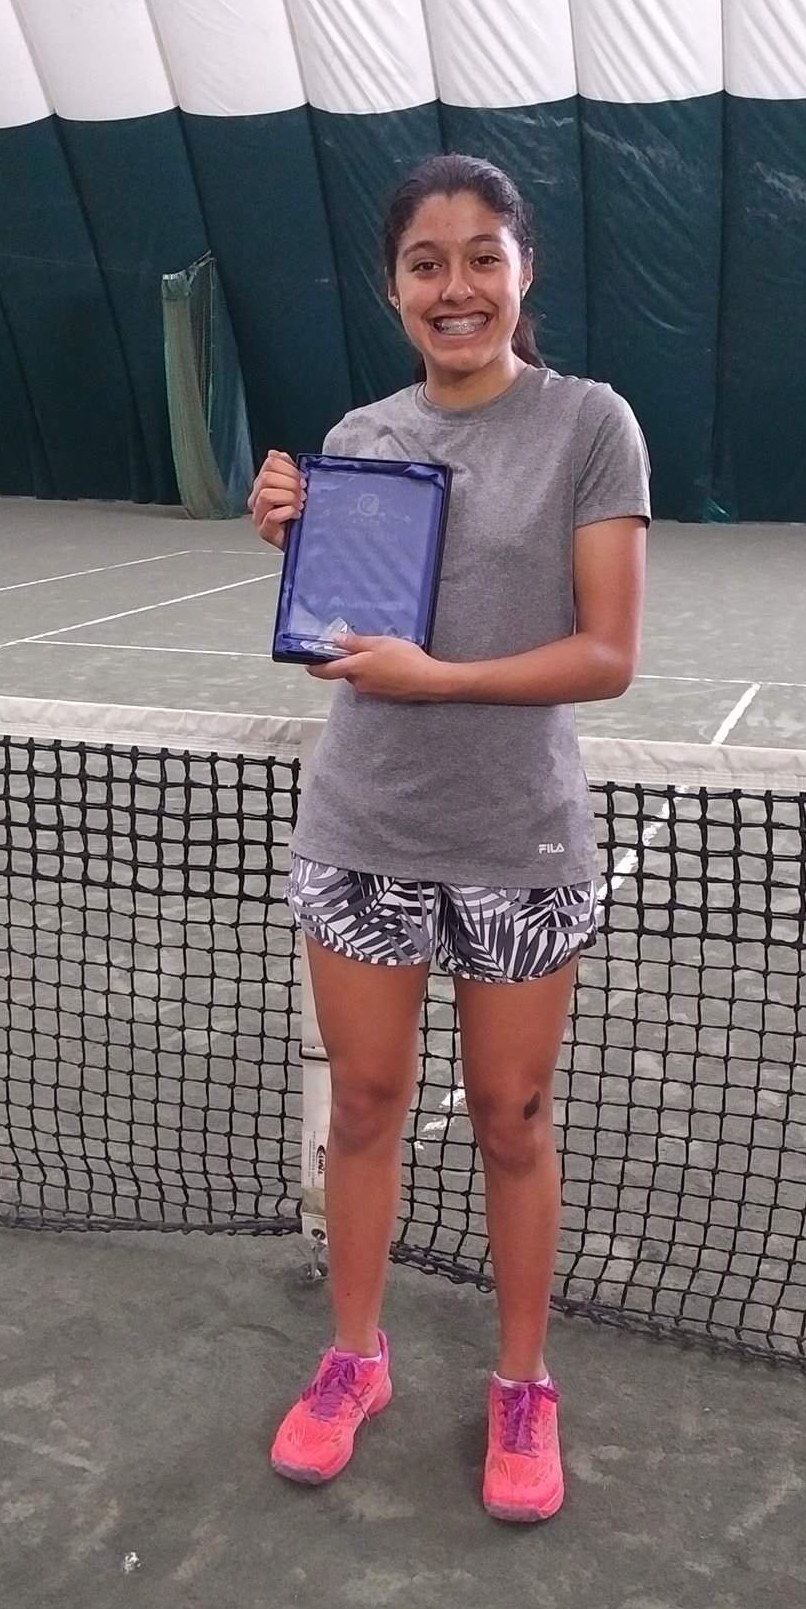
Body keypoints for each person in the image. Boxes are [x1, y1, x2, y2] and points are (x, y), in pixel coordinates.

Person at [248, 154, 650, 1522]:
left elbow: (606, 655)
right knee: (365, 1104)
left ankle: (523, 1384)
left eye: (484, 257)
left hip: (518, 841)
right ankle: (354, 1360)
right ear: (394, 288)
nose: (457, 286)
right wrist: (300, 558)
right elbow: (345, 642)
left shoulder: (589, 425)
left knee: (512, 1119)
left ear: (523, 273)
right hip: (362, 826)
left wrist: (441, 680)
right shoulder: (359, 439)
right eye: (428, 263)